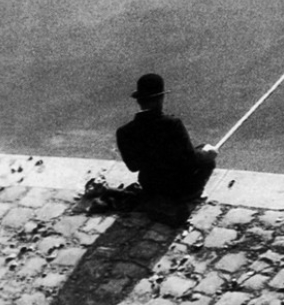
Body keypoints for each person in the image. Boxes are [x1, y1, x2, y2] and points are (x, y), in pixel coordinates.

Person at [86, 72, 216, 217]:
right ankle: (193, 195)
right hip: (181, 188)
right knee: (206, 157)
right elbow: (190, 160)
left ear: (139, 101)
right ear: (161, 98)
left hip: (151, 186)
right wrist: (205, 153)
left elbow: (133, 167)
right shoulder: (172, 124)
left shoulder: (124, 132)